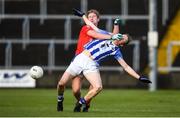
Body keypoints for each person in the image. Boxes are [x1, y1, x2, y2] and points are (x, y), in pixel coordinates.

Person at [57, 31, 152, 112]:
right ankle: (60, 99)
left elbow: (126, 67)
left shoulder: (116, 51)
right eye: (122, 36)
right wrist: (83, 16)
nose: (121, 37)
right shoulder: (107, 35)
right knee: (61, 83)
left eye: (124, 39)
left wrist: (138, 77)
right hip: (81, 58)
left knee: (98, 87)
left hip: (91, 64)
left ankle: (81, 103)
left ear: (122, 44)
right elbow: (96, 29)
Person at [70, 9, 122, 112]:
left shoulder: (101, 32)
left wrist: (116, 24)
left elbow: (114, 38)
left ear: (98, 19)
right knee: (75, 90)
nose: (92, 18)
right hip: (79, 61)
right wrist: (83, 16)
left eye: (94, 16)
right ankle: (80, 101)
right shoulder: (86, 28)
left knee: (95, 86)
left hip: (93, 62)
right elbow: (106, 35)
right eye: (90, 17)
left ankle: (86, 104)